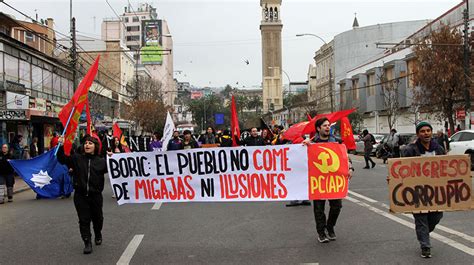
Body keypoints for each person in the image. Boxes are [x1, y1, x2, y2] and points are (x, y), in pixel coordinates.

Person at [303, 117, 354, 243]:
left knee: (337, 206)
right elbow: (300, 158)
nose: (327, 127)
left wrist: (350, 168)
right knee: (319, 209)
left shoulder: (337, 141)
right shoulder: (311, 143)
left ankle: (330, 227)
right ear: (318, 128)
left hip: (334, 180)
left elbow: (345, 157)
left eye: (328, 125)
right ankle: (321, 232)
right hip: (318, 181)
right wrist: (304, 146)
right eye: (325, 125)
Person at [57, 135, 109, 254]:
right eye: (86, 143)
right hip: (80, 196)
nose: (87, 145)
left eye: (90, 143)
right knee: (83, 220)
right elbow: (62, 159)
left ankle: (98, 233)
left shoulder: (101, 162)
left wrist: (112, 158)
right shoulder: (77, 159)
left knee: (98, 218)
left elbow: (116, 169)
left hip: (95, 196)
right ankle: (87, 242)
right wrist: (60, 145)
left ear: (95, 147)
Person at [401, 121, 445, 258]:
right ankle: (425, 246)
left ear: (431, 132)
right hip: (417, 191)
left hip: (436, 191)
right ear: (418, 134)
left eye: (428, 130)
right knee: (421, 219)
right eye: (422, 131)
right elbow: (401, 169)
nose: (426, 133)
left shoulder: (438, 149)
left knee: (436, 216)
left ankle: (424, 233)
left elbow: (446, 167)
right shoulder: (410, 150)